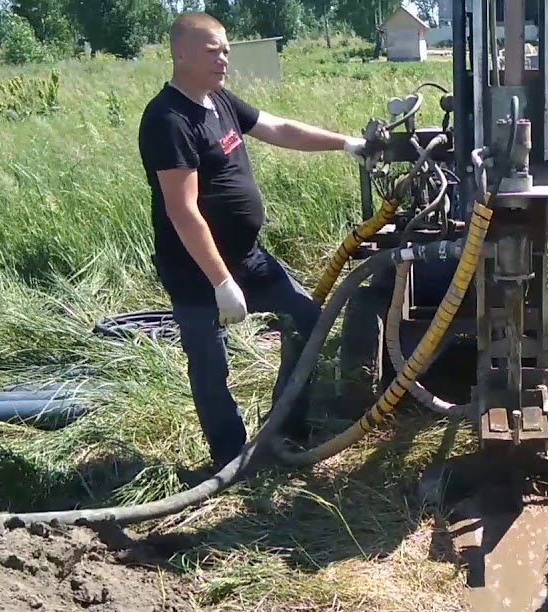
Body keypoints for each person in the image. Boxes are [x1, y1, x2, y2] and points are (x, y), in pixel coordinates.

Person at [138, 12, 377, 469]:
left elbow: (278, 128)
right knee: (210, 367)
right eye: (213, 51)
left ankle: (286, 427)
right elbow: (183, 211)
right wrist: (222, 283)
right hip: (196, 271)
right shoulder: (167, 119)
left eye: (226, 49)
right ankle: (229, 461)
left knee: (306, 316)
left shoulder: (219, 101)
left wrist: (346, 144)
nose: (224, 58)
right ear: (180, 53)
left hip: (247, 258)